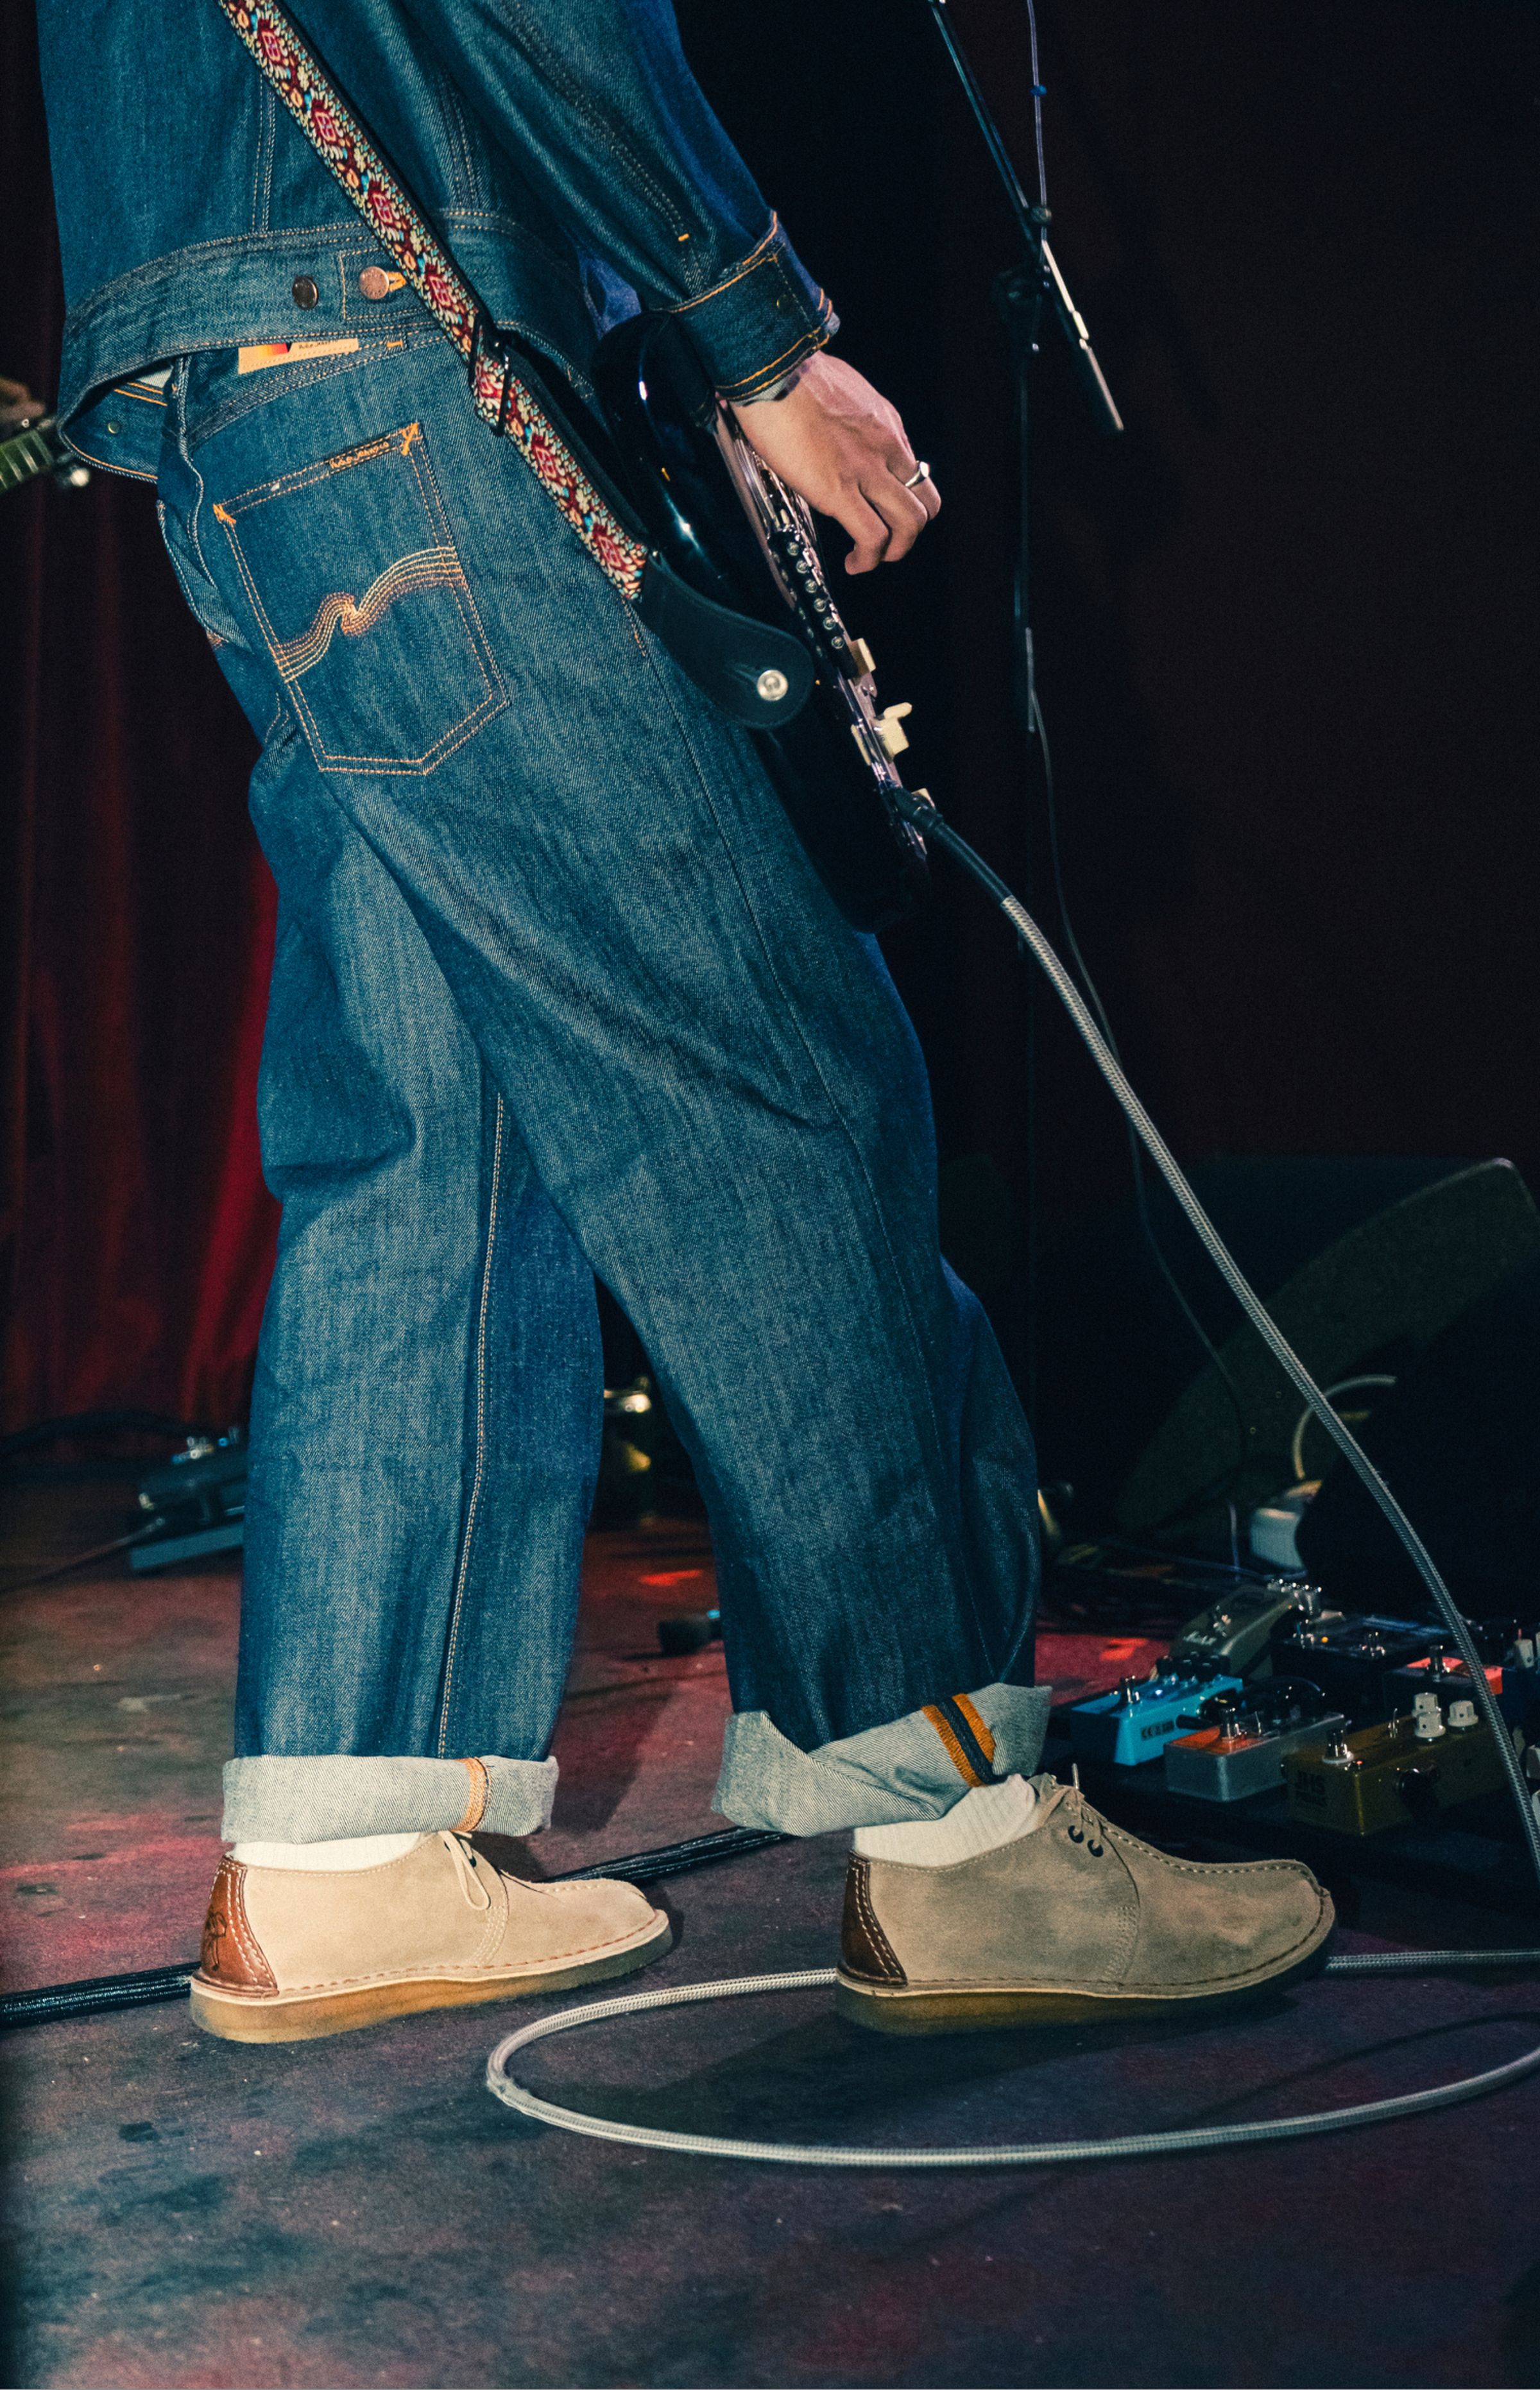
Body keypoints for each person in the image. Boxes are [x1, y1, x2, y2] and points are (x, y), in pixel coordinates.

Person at [35, 0, 1331, 2044]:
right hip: (397, 341)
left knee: (431, 1121)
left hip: (234, 385)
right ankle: (964, 1831)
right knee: (780, 1078)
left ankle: (350, 1850)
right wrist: (758, 329)